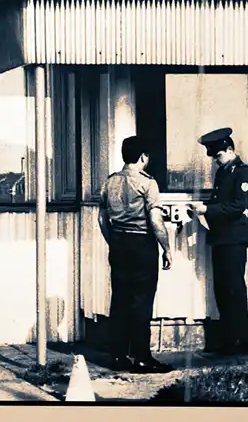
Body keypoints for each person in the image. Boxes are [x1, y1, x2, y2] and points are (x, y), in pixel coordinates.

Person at [99, 136, 174, 374]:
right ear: (143, 157)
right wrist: (167, 248)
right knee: (141, 302)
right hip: (142, 245)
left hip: (119, 243)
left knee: (120, 299)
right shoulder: (148, 183)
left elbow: (102, 219)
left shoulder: (110, 182)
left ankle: (118, 356)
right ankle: (141, 358)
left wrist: (114, 241)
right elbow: (156, 220)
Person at [191, 127, 248, 356]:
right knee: (222, 289)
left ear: (229, 150)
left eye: (218, 155)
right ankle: (228, 339)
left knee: (234, 289)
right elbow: (218, 202)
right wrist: (201, 209)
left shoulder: (243, 173)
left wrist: (207, 209)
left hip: (234, 239)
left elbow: (238, 206)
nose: (215, 160)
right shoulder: (223, 172)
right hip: (220, 238)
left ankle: (239, 341)